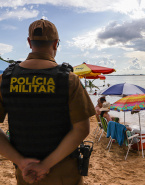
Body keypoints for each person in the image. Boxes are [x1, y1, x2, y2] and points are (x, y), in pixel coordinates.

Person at [0, 19, 96, 184]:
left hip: (26, 175)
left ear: (30, 42)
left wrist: (22, 162)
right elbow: (82, 129)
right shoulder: (69, 80)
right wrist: (45, 165)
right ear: (56, 44)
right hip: (64, 174)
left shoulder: (6, 79)